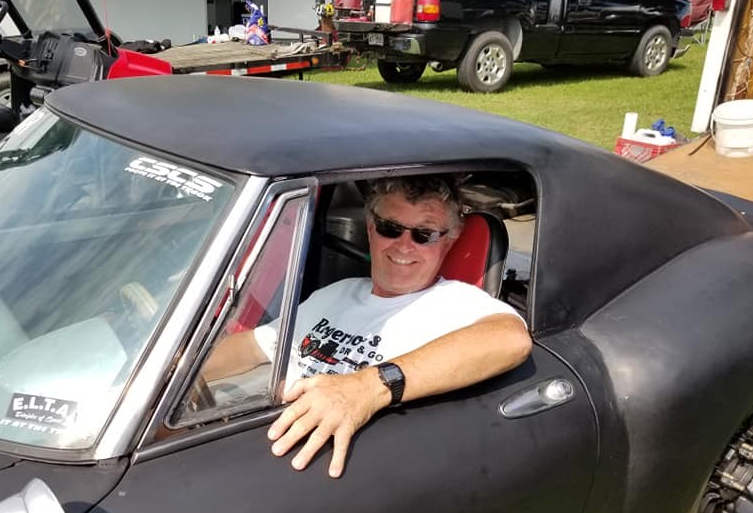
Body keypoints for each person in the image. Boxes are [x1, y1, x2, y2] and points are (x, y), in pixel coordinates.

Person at [202, 175, 532, 478]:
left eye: (424, 234)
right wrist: (183, 374)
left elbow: (510, 339)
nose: (404, 246)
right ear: (371, 228)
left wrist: (366, 387)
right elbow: (251, 348)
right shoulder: (336, 293)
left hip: (327, 465)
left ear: (449, 241)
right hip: (259, 440)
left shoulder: (455, 303)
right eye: (390, 228)